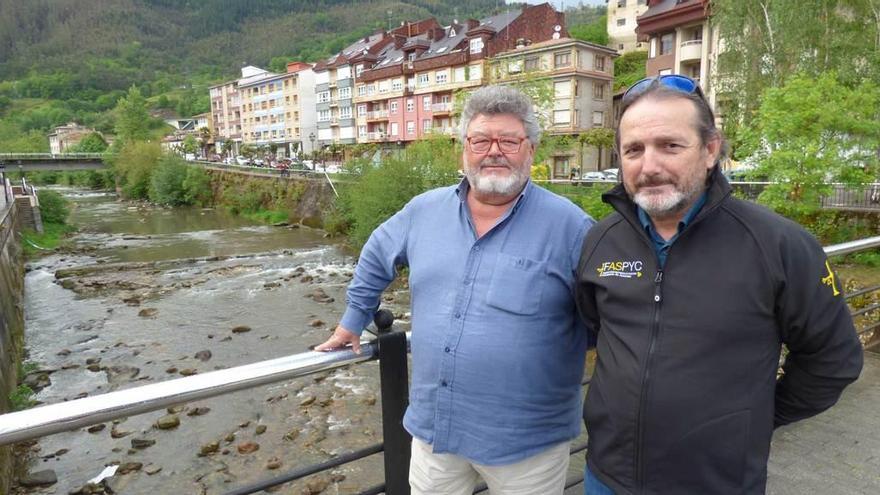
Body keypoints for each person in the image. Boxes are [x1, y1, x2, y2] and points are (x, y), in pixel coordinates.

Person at [575, 74, 864, 494]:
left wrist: (755, 417)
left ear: (710, 150)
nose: (649, 165)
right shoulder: (600, 239)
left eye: (670, 146)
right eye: (633, 150)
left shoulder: (778, 244)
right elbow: (595, 328)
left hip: (717, 482)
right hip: (607, 476)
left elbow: (833, 360)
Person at [316, 85, 594, 494]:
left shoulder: (572, 227)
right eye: (481, 140)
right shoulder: (423, 211)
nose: (493, 150)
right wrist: (353, 320)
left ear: (531, 150)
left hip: (528, 445)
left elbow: (602, 318)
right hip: (436, 433)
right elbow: (376, 253)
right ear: (463, 150)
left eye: (509, 141)